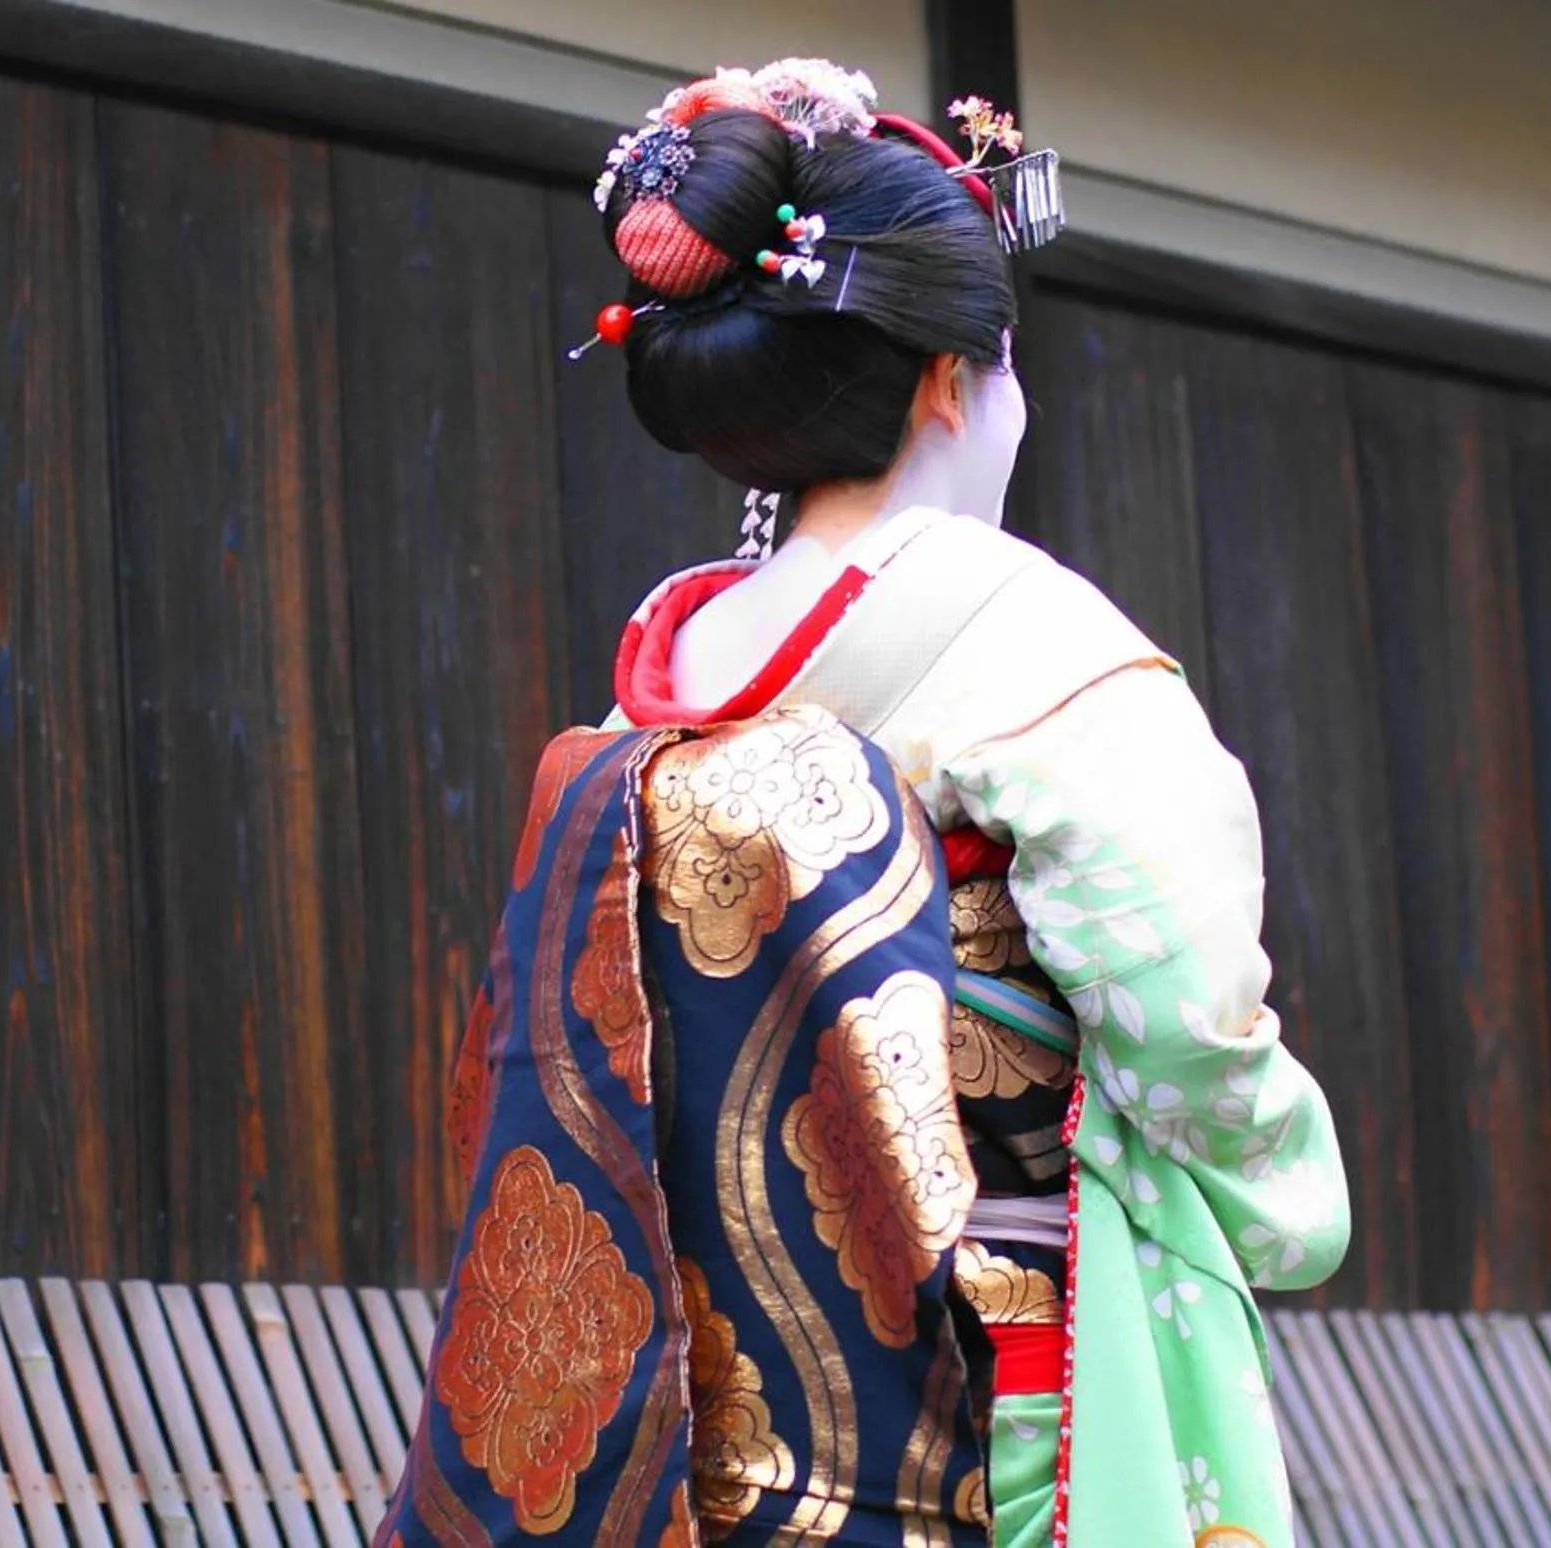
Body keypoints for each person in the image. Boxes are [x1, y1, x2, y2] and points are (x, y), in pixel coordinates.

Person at [377, 60, 1349, 1547]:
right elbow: (1181, 1007)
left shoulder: (663, 674)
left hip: (717, 1413)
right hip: (1002, 1383)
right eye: (1004, 368)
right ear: (948, 379)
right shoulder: (1037, 641)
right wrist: (1288, 1196)